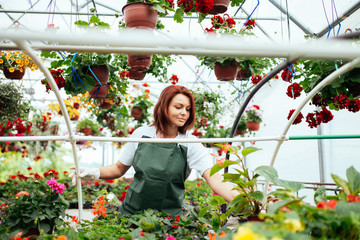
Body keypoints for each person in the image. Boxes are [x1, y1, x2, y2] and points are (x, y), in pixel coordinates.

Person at [70, 85, 238, 216]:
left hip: (168, 219)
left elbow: (215, 178)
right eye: (178, 107)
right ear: (164, 107)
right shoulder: (141, 134)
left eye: (187, 109)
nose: (184, 113)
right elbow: (118, 168)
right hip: (132, 213)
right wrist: (93, 172)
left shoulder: (190, 143)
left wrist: (243, 201)